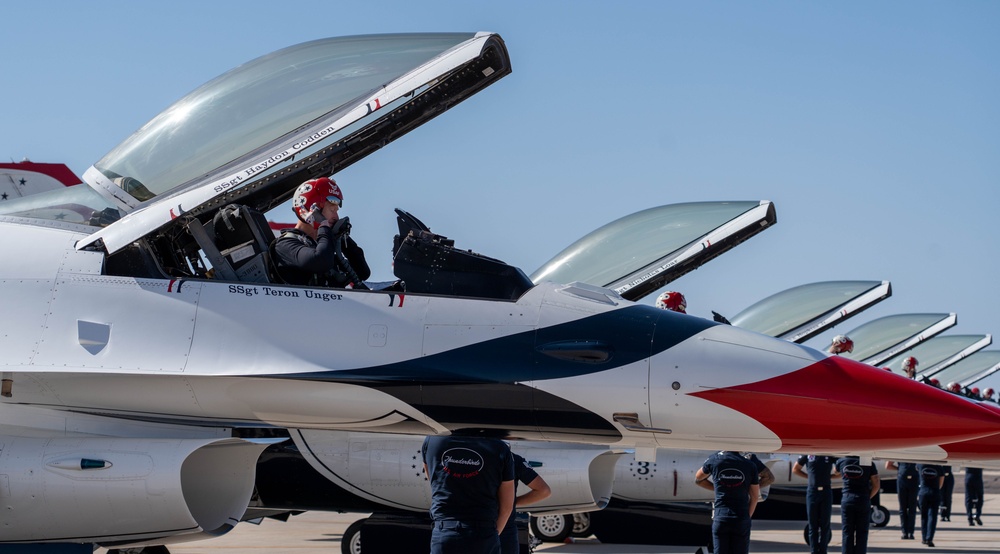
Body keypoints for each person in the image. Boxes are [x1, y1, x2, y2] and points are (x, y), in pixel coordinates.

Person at [422, 434, 516, 554]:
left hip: (444, 531)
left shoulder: (432, 441)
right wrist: (493, 534)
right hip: (483, 533)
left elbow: (431, 478)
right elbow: (507, 507)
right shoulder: (499, 447)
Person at [272, 176, 371, 288]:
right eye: (332, 210)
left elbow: (362, 272)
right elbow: (321, 261)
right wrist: (324, 226)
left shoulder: (320, 245)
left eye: (336, 211)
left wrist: (341, 237)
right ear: (313, 210)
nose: (336, 217)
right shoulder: (285, 245)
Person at [695, 451, 760, 554]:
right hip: (741, 517)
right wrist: (747, 516)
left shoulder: (714, 460)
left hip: (721, 516)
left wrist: (717, 488)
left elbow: (698, 479)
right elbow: (755, 497)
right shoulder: (750, 465)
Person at [499, 452, 551, 554]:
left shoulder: (470, 457)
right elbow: (543, 491)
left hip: (476, 526)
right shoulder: (513, 459)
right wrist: (510, 502)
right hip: (506, 529)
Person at [793, 455, 839, 554]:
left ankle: (823, 550)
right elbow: (795, 469)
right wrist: (808, 476)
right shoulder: (808, 454)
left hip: (826, 491)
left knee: (825, 524)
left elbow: (840, 470)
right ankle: (813, 550)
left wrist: (831, 476)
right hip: (812, 492)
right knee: (812, 524)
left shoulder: (829, 454)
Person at [836, 456, 879, 554]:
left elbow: (836, 472)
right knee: (862, 533)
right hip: (862, 498)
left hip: (847, 498)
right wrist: (868, 497)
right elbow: (876, 483)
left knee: (847, 533)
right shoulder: (868, 462)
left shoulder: (842, 461)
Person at [886, 460, 919, 540]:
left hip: (903, 477)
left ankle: (906, 532)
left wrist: (900, 469)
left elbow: (888, 465)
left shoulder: (901, 452)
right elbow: (887, 466)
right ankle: (909, 532)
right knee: (909, 508)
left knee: (905, 508)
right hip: (911, 478)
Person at [916, 463, 944, 547]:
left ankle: (924, 538)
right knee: (932, 516)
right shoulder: (938, 466)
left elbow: (916, 468)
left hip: (923, 493)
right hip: (934, 492)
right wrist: (936, 489)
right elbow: (941, 480)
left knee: (924, 516)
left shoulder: (920, 465)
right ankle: (929, 538)